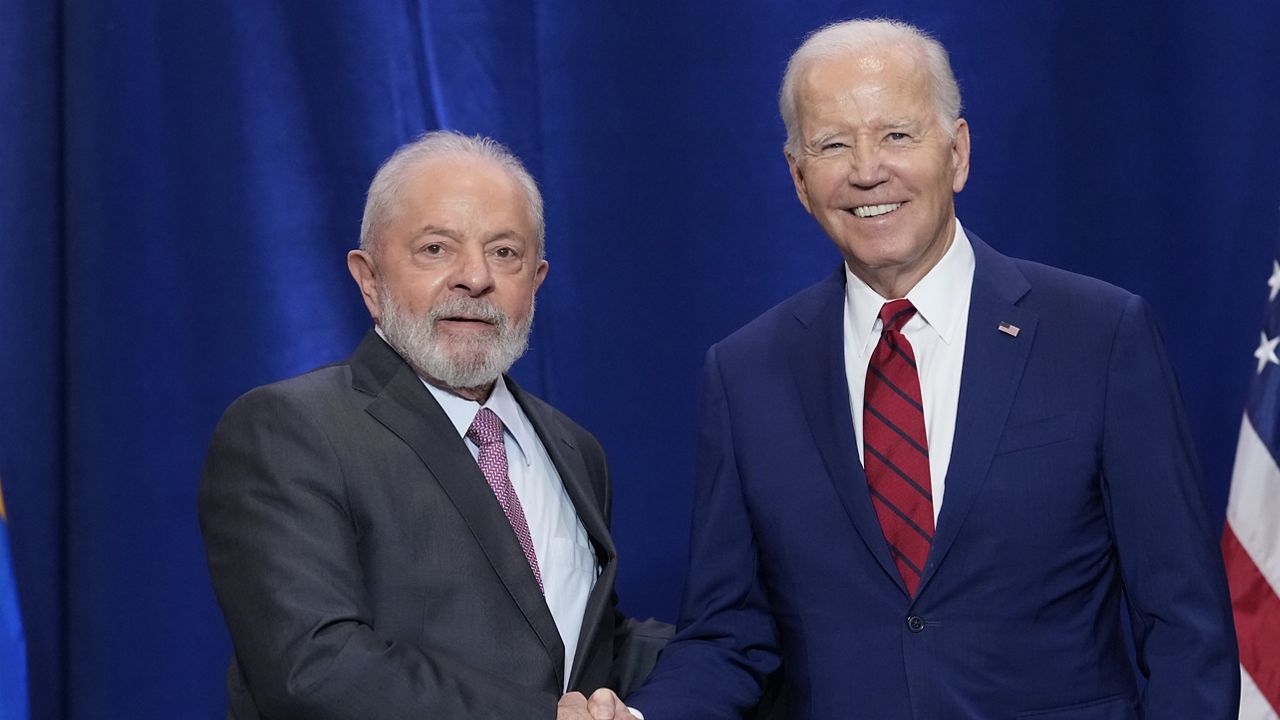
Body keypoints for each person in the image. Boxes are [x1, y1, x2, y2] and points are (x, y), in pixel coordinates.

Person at [622, 18, 1239, 720]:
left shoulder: (1098, 335)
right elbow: (727, 637)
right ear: (798, 178)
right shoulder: (746, 373)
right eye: (832, 144)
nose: (865, 170)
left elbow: (1186, 629)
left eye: (896, 135)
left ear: (958, 152)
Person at [199, 131, 651, 719]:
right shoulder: (288, 431)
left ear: (536, 282)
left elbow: (581, 648)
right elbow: (314, 668)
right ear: (369, 278)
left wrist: (744, 653)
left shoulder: (575, 449)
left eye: (505, 252)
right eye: (436, 249)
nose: (474, 277)